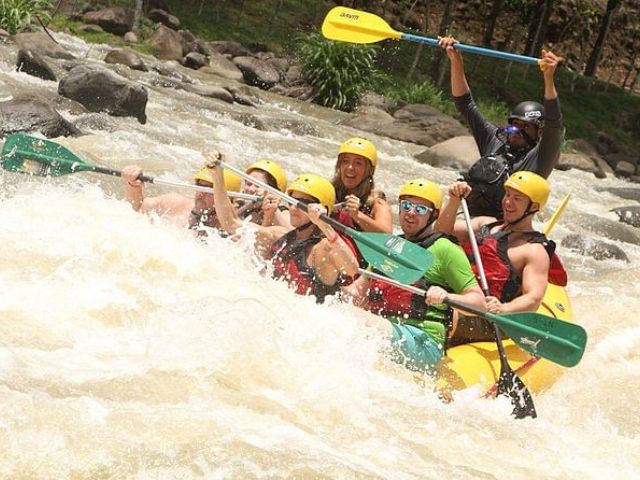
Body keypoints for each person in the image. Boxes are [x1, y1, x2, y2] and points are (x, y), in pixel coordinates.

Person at [343, 178, 485, 372]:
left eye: (420, 209)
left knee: (362, 323)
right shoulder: (389, 246)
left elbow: (479, 304)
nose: (411, 213)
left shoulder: (445, 249)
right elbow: (358, 290)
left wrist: (447, 296)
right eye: (406, 206)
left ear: (433, 215)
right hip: (385, 327)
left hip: (423, 340)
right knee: (338, 314)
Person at [438, 36, 563, 221]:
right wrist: (456, 59)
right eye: (515, 125)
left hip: (503, 227)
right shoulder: (495, 141)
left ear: (539, 133)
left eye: (526, 127)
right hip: (469, 216)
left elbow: (554, 124)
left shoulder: (540, 158)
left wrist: (548, 78)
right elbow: (465, 103)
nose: (517, 131)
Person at [209, 152, 359, 303]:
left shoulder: (323, 249)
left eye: (302, 203)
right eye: (292, 201)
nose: (293, 208)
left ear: (321, 208)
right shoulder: (280, 235)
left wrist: (325, 225)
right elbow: (231, 223)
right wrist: (217, 176)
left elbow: (352, 269)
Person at [436, 172, 558, 343]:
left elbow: (533, 298)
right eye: (507, 195)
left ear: (534, 207)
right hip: (461, 297)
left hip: (489, 317)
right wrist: (454, 200)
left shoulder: (534, 251)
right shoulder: (485, 224)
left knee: (441, 313)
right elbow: (440, 233)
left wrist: (503, 308)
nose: (508, 202)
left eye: (517, 198)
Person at [121, 163, 241, 233]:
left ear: (228, 199)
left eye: (209, 190)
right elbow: (136, 209)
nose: (201, 193)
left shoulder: (235, 230)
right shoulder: (176, 203)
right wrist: (134, 185)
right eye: (199, 186)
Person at [330, 137, 393, 233]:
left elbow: (387, 234)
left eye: (358, 163)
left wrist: (357, 215)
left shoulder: (377, 202)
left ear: (369, 170)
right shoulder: (328, 191)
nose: (350, 167)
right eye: (345, 161)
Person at [238, 159, 292, 229]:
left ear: (274, 192)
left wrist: (272, 208)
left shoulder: (283, 212)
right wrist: (250, 205)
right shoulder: (240, 205)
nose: (251, 189)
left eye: (258, 186)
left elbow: (292, 232)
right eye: (248, 184)